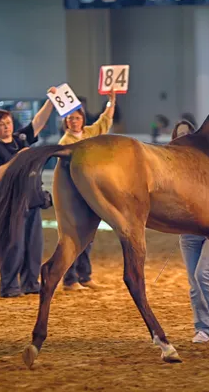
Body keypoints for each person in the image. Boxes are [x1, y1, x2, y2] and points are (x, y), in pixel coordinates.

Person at [0, 87, 57, 298]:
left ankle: (30, 283)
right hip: (12, 205)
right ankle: (8, 286)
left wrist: (50, 100)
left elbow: (39, 122)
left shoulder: (21, 139)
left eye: (8, 123)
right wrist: (18, 158)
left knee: (33, 246)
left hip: (32, 201)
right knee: (13, 246)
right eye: (1, 125)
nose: (6, 127)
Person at [171, 119, 209, 343]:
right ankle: (203, 327)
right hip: (188, 231)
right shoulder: (171, 169)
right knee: (194, 283)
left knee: (203, 274)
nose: (183, 138)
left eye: (186, 133)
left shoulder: (208, 160)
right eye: (179, 135)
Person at [59, 89, 117, 291]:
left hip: (89, 193)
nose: (73, 121)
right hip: (75, 194)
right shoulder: (65, 143)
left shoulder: (90, 133)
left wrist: (111, 101)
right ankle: (70, 278)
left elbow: (104, 121)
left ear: (82, 119)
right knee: (73, 236)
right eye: (70, 119)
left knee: (88, 236)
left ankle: (84, 275)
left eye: (76, 118)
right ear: (66, 122)